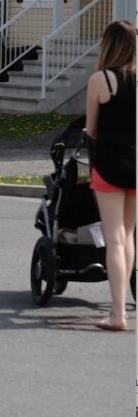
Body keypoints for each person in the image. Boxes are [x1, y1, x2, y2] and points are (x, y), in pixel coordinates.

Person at [84, 20, 136, 332]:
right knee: (130, 236)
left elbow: (91, 129)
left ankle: (118, 313)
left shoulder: (101, 80)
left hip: (109, 164)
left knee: (114, 237)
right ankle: (122, 305)